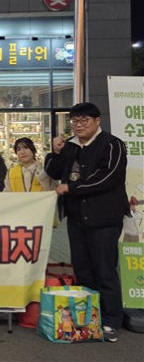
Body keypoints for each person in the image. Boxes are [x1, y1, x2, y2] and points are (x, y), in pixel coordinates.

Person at [44, 102, 129, 342]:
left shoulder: (112, 145)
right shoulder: (71, 146)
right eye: (75, 121)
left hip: (104, 218)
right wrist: (56, 152)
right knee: (82, 269)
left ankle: (111, 320)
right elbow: (53, 171)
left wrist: (72, 188)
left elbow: (107, 177)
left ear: (97, 121)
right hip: (77, 217)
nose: (78, 125)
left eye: (84, 120)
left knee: (104, 269)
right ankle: (90, 316)